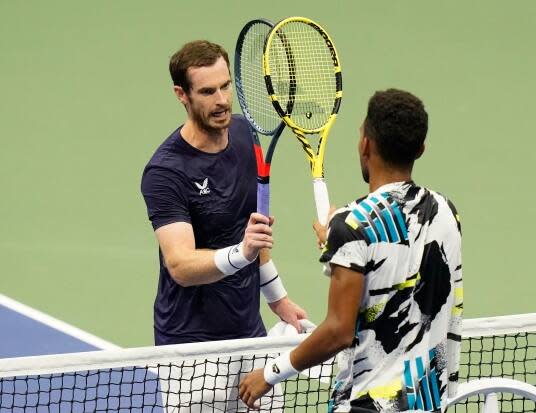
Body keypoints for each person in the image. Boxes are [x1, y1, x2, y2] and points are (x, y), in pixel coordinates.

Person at [240, 89, 463, 412]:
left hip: (368, 404)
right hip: (429, 402)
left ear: (366, 145)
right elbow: (404, 263)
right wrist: (341, 245)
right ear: (421, 149)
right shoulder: (445, 210)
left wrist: (271, 372)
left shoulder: (352, 225)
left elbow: (338, 332)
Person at [140, 40, 306, 411]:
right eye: (208, 91)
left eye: (226, 86)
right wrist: (242, 251)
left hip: (250, 337)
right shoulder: (166, 172)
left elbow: (253, 237)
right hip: (192, 352)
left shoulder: (247, 136)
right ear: (181, 94)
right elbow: (181, 266)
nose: (222, 101)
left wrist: (278, 300)